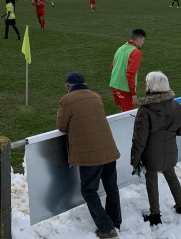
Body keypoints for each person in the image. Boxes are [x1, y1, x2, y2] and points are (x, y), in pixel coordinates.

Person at [57, 72, 122, 239]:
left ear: (68, 86)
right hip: (108, 149)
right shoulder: (96, 96)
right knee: (111, 187)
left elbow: (62, 127)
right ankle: (115, 221)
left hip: (89, 154)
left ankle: (107, 228)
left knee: (88, 190)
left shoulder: (66, 100)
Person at [131, 71, 181, 226]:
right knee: (171, 175)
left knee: (152, 180)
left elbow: (139, 139)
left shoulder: (145, 110)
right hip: (170, 151)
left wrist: (135, 160)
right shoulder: (176, 106)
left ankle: (155, 215)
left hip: (151, 154)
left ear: (150, 86)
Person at [109, 29, 147, 112]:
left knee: (124, 110)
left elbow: (113, 66)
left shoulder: (121, 48)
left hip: (114, 85)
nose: (143, 42)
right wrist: (133, 93)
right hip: (124, 88)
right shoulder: (136, 52)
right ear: (138, 39)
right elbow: (130, 73)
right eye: (143, 40)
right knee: (130, 114)